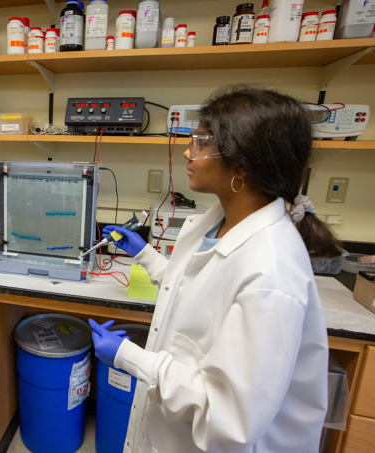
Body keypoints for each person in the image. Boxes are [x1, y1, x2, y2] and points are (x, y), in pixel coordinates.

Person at [90, 86, 340, 452]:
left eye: (203, 141)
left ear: (243, 164)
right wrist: (145, 255)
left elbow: (229, 418)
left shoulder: (271, 274)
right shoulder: (218, 221)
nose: (190, 151)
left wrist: (129, 357)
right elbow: (197, 294)